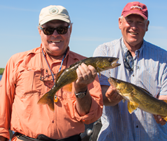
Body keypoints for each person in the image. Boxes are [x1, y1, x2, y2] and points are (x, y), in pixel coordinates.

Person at [0, 5, 103, 141]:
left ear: (70, 30)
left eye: (61, 29)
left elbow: (91, 116)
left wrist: (81, 89)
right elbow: (2, 109)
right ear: (40, 31)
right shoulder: (17, 62)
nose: (55, 34)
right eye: (48, 29)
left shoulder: (86, 66)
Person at [93, 1, 167, 141]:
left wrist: (163, 112)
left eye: (140, 22)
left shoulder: (163, 57)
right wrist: (107, 97)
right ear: (120, 22)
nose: (134, 27)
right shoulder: (103, 52)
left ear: (147, 26)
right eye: (129, 21)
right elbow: (98, 93)